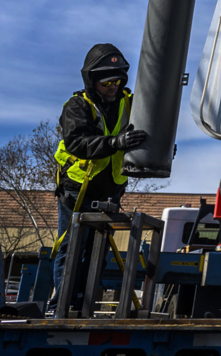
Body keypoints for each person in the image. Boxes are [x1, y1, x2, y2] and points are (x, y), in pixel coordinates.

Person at [51, 44, 148, 311]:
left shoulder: (130, 103)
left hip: (110, 191)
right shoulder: (77, 106)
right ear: (92, 81)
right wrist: (115, 142)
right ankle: (63, 305)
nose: (113, 87)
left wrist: (159, 147)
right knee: (71, 249)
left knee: (98, 253)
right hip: (77, 189)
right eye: (107, 82)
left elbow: (148, 130)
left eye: (117, 81)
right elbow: (77, 142)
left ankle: (84, 304)